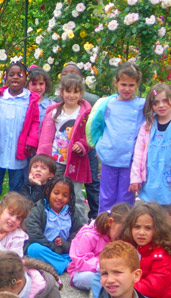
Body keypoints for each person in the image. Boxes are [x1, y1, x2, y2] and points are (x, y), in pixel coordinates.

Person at [86, 62, 145, 212]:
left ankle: (123, 229)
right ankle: (103, 228)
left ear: (137, 85)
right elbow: (95, 124)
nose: (127, 89)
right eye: (123, 84)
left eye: (131, 85)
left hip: (129, 161)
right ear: (116, 83)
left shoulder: (141, 105)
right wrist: (98, 145)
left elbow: (156, 115)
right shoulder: (108, 103)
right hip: (109, 158)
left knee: (125, 199)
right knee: (106, 197)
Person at [37, 74, 92, 219]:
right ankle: (52, 221)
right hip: (55, 161)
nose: (71, 95)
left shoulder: (85, 114)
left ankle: (81, 227)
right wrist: (42, 160)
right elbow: (46, 137)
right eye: (68, 91)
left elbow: (91, 135)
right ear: (62, 93)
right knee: (51, 191)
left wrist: (82, 144)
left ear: (81, 93)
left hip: (75, 162)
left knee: (76, 195)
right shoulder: (55, 112)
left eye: (75, 92)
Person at [0, 62, 40, 204]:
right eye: (11, 74)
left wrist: (31, 141)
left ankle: (13, 210)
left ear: (26, 79)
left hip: (18, 150)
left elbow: (34, 122)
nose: (15, 78)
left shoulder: (30, 99)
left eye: (20, 75)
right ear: (6, 78)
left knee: (16, 185)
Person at [130, 83, 171, 206]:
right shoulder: (146, 127)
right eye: (156, 103)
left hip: (170, 187)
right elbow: (138, 155)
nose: (161, 105)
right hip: (150, 183)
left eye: (165, 101)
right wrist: (135, 178)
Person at [120, 202, 171, 298]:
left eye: (148, 228)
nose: (141, 232)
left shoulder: (161, 256)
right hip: (132, 289)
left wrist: (124, 285)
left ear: (158, 229)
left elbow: (153, 288)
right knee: (99, 277)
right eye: (137, 227)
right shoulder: (132, 247)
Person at [57, 62, 101, 218]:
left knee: (82, 190)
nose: (69, 75)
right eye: (65, 72)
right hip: (58, 158)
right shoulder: (55, 107)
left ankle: (89, 220)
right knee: (56, 191)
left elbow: (93, 129)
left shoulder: (90, 105)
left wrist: (84, 145)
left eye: (73, 73)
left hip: (80, 155)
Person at [24, 177, 85, 275]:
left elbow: (77, 233)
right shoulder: (39, 210)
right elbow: (35, 235)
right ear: (48, 191)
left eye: (65, 195)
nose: (60, 198)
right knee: (33, 249)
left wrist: (65, 245)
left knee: (82, 250)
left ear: (70, 197)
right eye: (56, 193)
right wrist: (54, 248)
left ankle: (55, 262)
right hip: (45, 248)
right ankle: (66, 266)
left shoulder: (71, 212)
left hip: (65, 251)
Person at [68, 203, 130, 298]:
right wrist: (103, 266)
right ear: (110, 222)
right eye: (122, 231)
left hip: (109, 271)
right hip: (81, 273)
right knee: (98, 279)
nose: (123, 236)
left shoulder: (115, 237)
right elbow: (80, 261)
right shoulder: (88, 235)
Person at [0, 192, 32, 257]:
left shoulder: (17, 236)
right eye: (11, 213)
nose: (13, 220)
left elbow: (13, 260)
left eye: (18, 218)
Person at [27, 66, 54, 134]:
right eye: (34, 84)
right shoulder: (23, 104)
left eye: (41, 84)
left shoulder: (52, 106)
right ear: (27, 85)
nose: (38, 87)